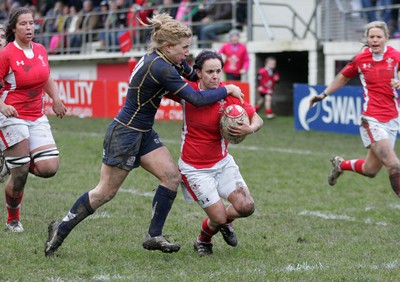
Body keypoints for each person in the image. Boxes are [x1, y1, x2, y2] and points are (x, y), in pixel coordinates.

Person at [44, 13, 244, 257]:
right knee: (105, 192)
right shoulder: (159, 67)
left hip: (144, 132)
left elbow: (192, 74)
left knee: (171, 176)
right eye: (184, 48)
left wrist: (203, 72)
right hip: (125, 133)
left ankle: (153, 236)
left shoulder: (168, 59)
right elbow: (196, 98)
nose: (187, 53)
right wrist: (228, 88)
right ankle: (60, 230)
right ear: (168, 46)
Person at [172, 50, 263, 256]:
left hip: (223, 164)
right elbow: (160, 82)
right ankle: (203, 241)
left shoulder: (230, 95)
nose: (215, 76)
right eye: (210, 71)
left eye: (218, 71)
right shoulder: (187, 91)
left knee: (246, 206)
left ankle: (224, 223)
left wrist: (250, 128)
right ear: (198, 73)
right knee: (219, 217)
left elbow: (257, 118)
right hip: (195, 169)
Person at [309, 21, 400, 198]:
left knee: (370, 170)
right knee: (394, 164)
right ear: (367, 39)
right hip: (371, 119)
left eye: (378, 37)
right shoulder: (361, 59)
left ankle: (340, 165)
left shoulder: (395, 56)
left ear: (386, 38)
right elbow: (342, 78)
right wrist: (323, 95)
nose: (374, 40)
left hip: (392, 120)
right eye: (371, 37)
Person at [0, 7, 67, 232]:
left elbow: (46, 75)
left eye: (31, 23)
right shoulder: (6, 54)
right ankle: (13, 221)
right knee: (20, 173)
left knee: (49, 167)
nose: (29, 28)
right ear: (13, 28)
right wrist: (3, 105)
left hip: (37, 116)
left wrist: (56, 99)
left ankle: (10, 159)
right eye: (23, 24)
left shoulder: (40, 49)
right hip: (11, 115)